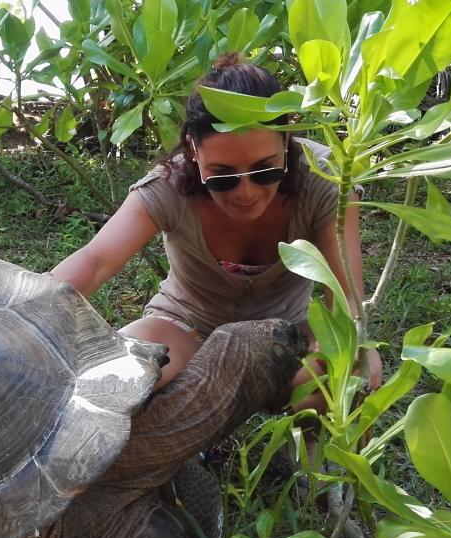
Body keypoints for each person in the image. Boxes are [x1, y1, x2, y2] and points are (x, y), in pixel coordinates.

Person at [51, 53, 382, 404]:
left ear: (287, 140)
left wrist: (353, 347)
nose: (246, 193)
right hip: (185, 328)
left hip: (287, 335)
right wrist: (20, 321)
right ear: (193, 151)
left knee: (347, 373)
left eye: (265, 170)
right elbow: (95, 261)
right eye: (223, 175)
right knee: (119, 376)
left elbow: (345, 297)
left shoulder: (326, 179)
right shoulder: (169, 185)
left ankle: (311, 454)